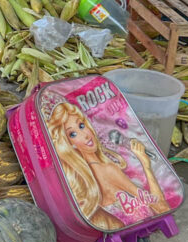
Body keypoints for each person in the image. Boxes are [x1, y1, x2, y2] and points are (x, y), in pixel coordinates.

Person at [47, 99, 167, 232]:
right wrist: (146, 165)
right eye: (73, 134)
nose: (85, 135)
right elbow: (162, 208)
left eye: (81, 126)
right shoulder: (107, 169)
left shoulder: (85, 177)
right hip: (140, 227)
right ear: (70, 144)